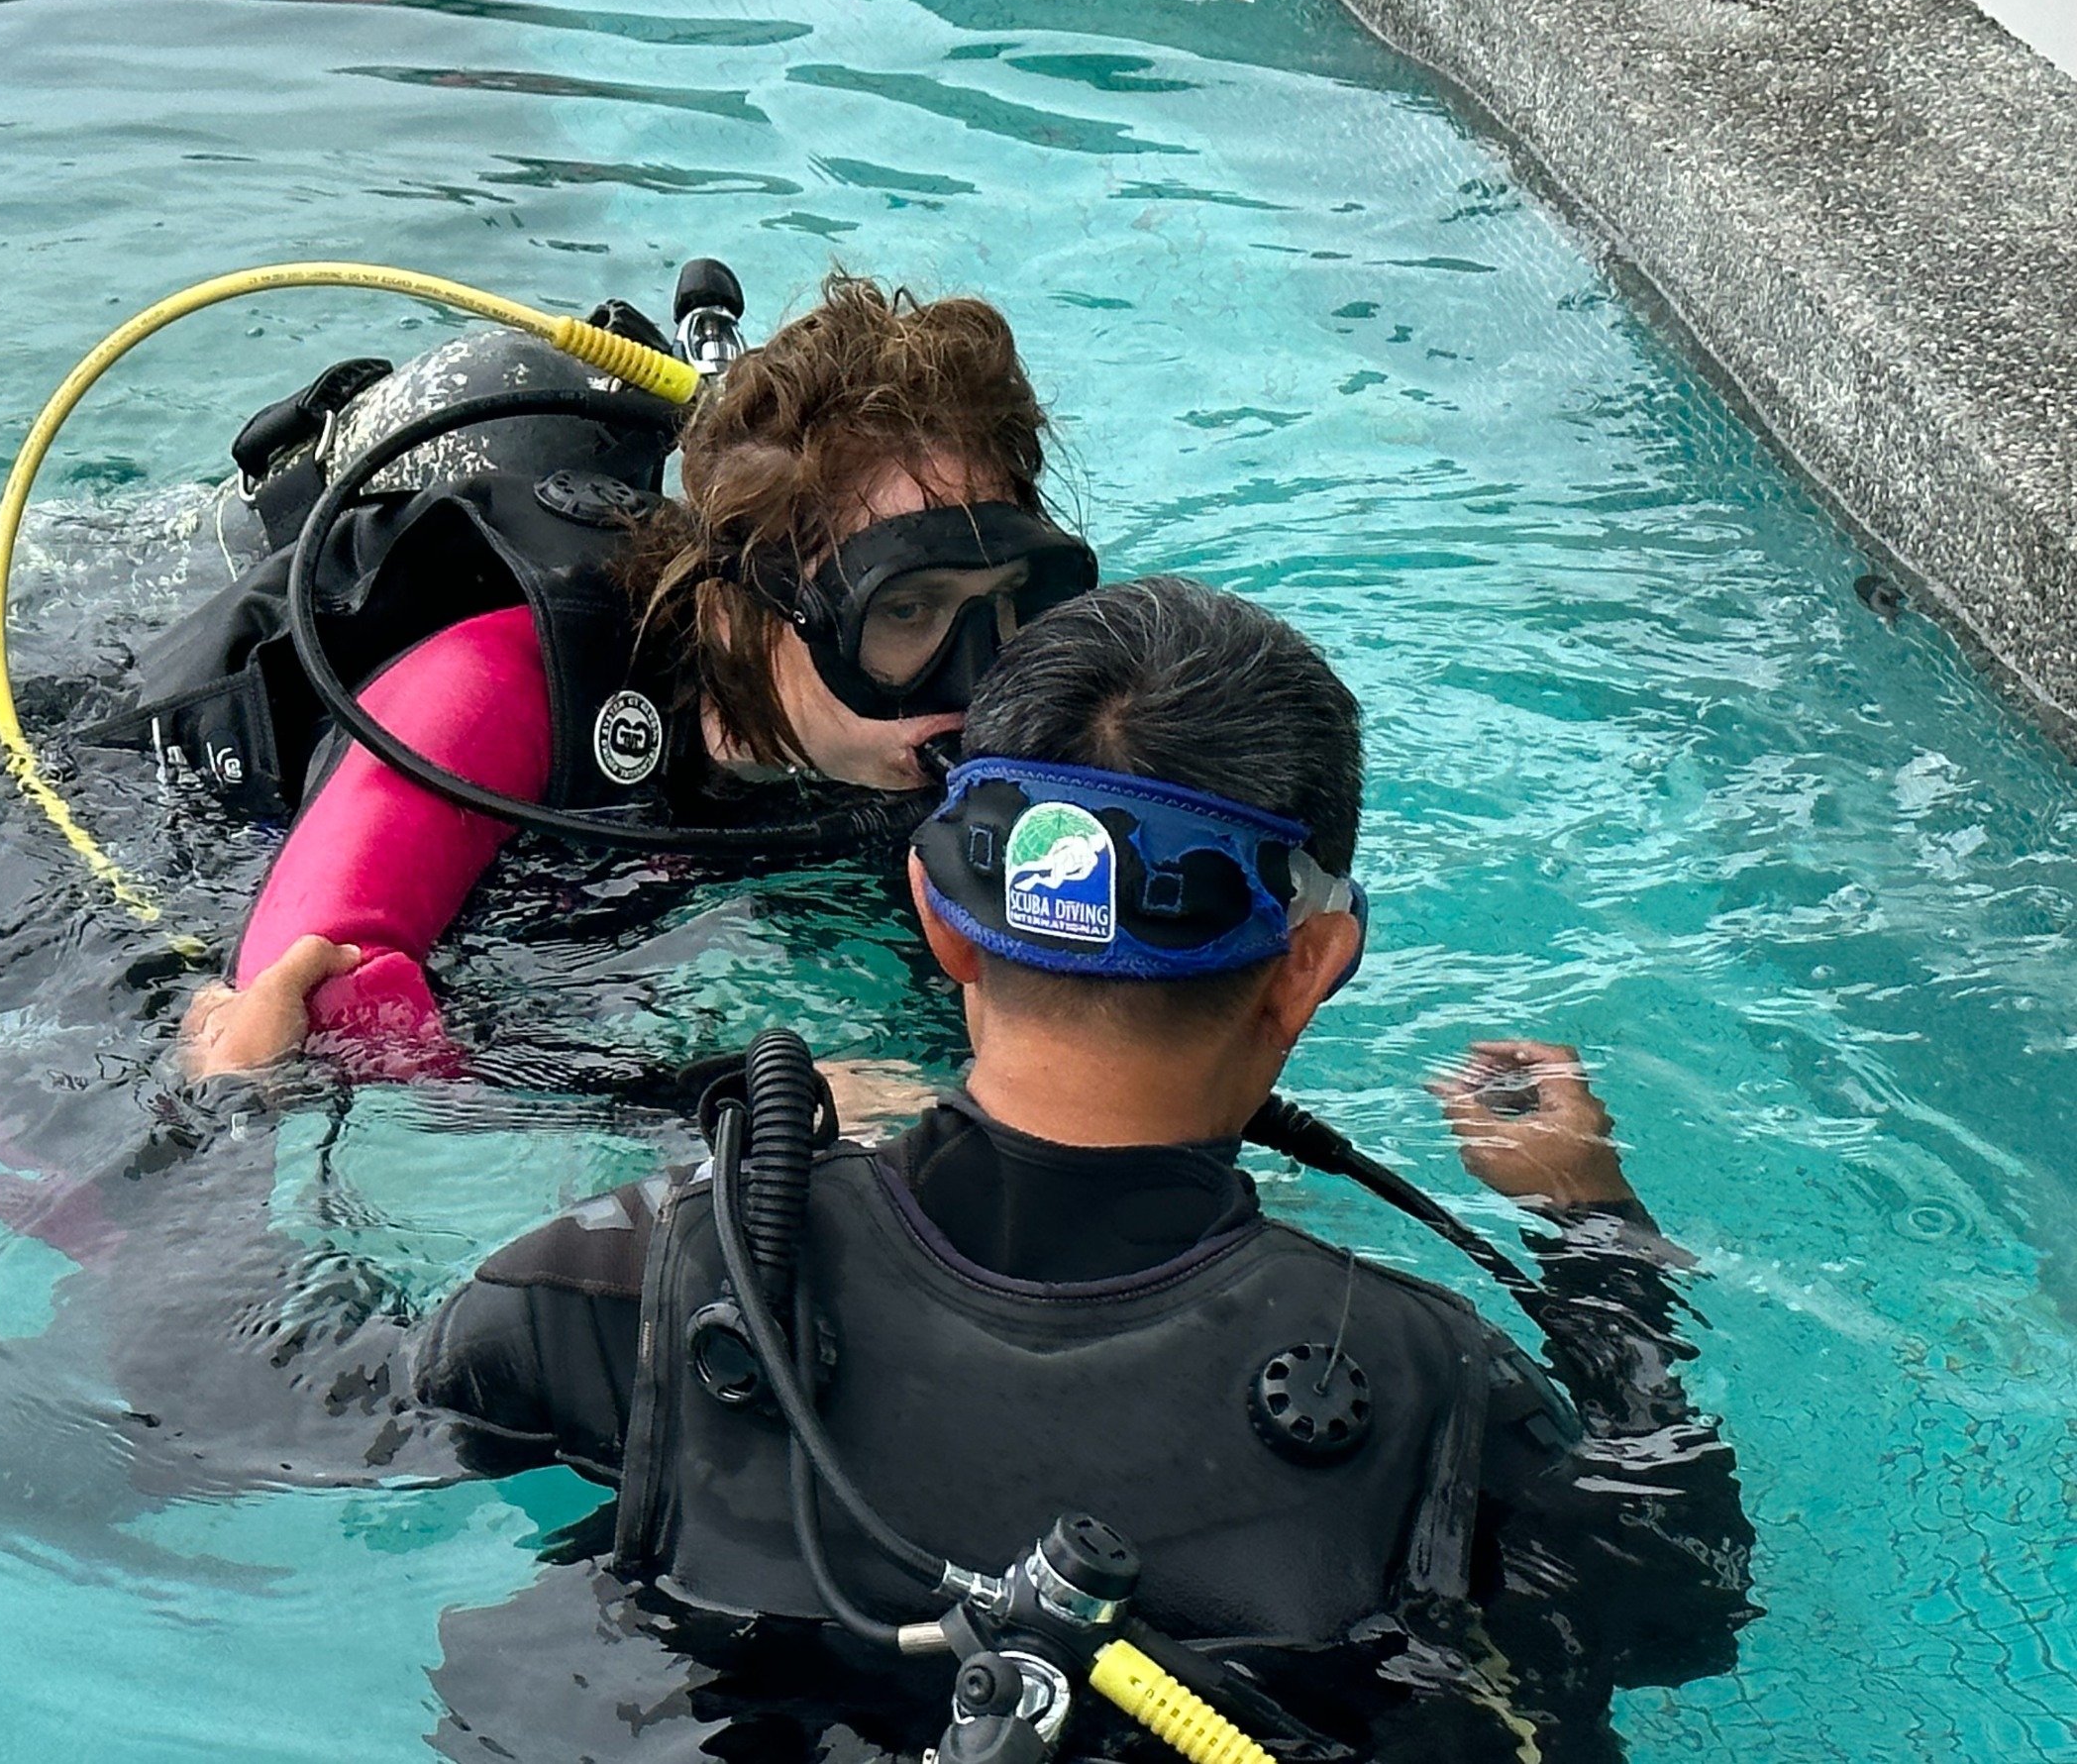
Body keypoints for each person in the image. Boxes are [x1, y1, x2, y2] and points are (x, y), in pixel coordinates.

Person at [155, 577, 1751, 1760]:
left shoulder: (651, 1276)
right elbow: (1678, 1603)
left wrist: (231, 1111)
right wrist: (1595, 1231)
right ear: (1314, 961)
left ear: (935, 914)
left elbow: (231, 1412)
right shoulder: (1430, 1390)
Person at [156, 268, 1095, 1082]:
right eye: (906, 611)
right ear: (739, 611)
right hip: (120, 787)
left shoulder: (950, 729)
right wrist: (726, 1104)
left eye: (1010, 598)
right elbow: (302, 1018)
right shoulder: (500, 683)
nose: (979, 675)